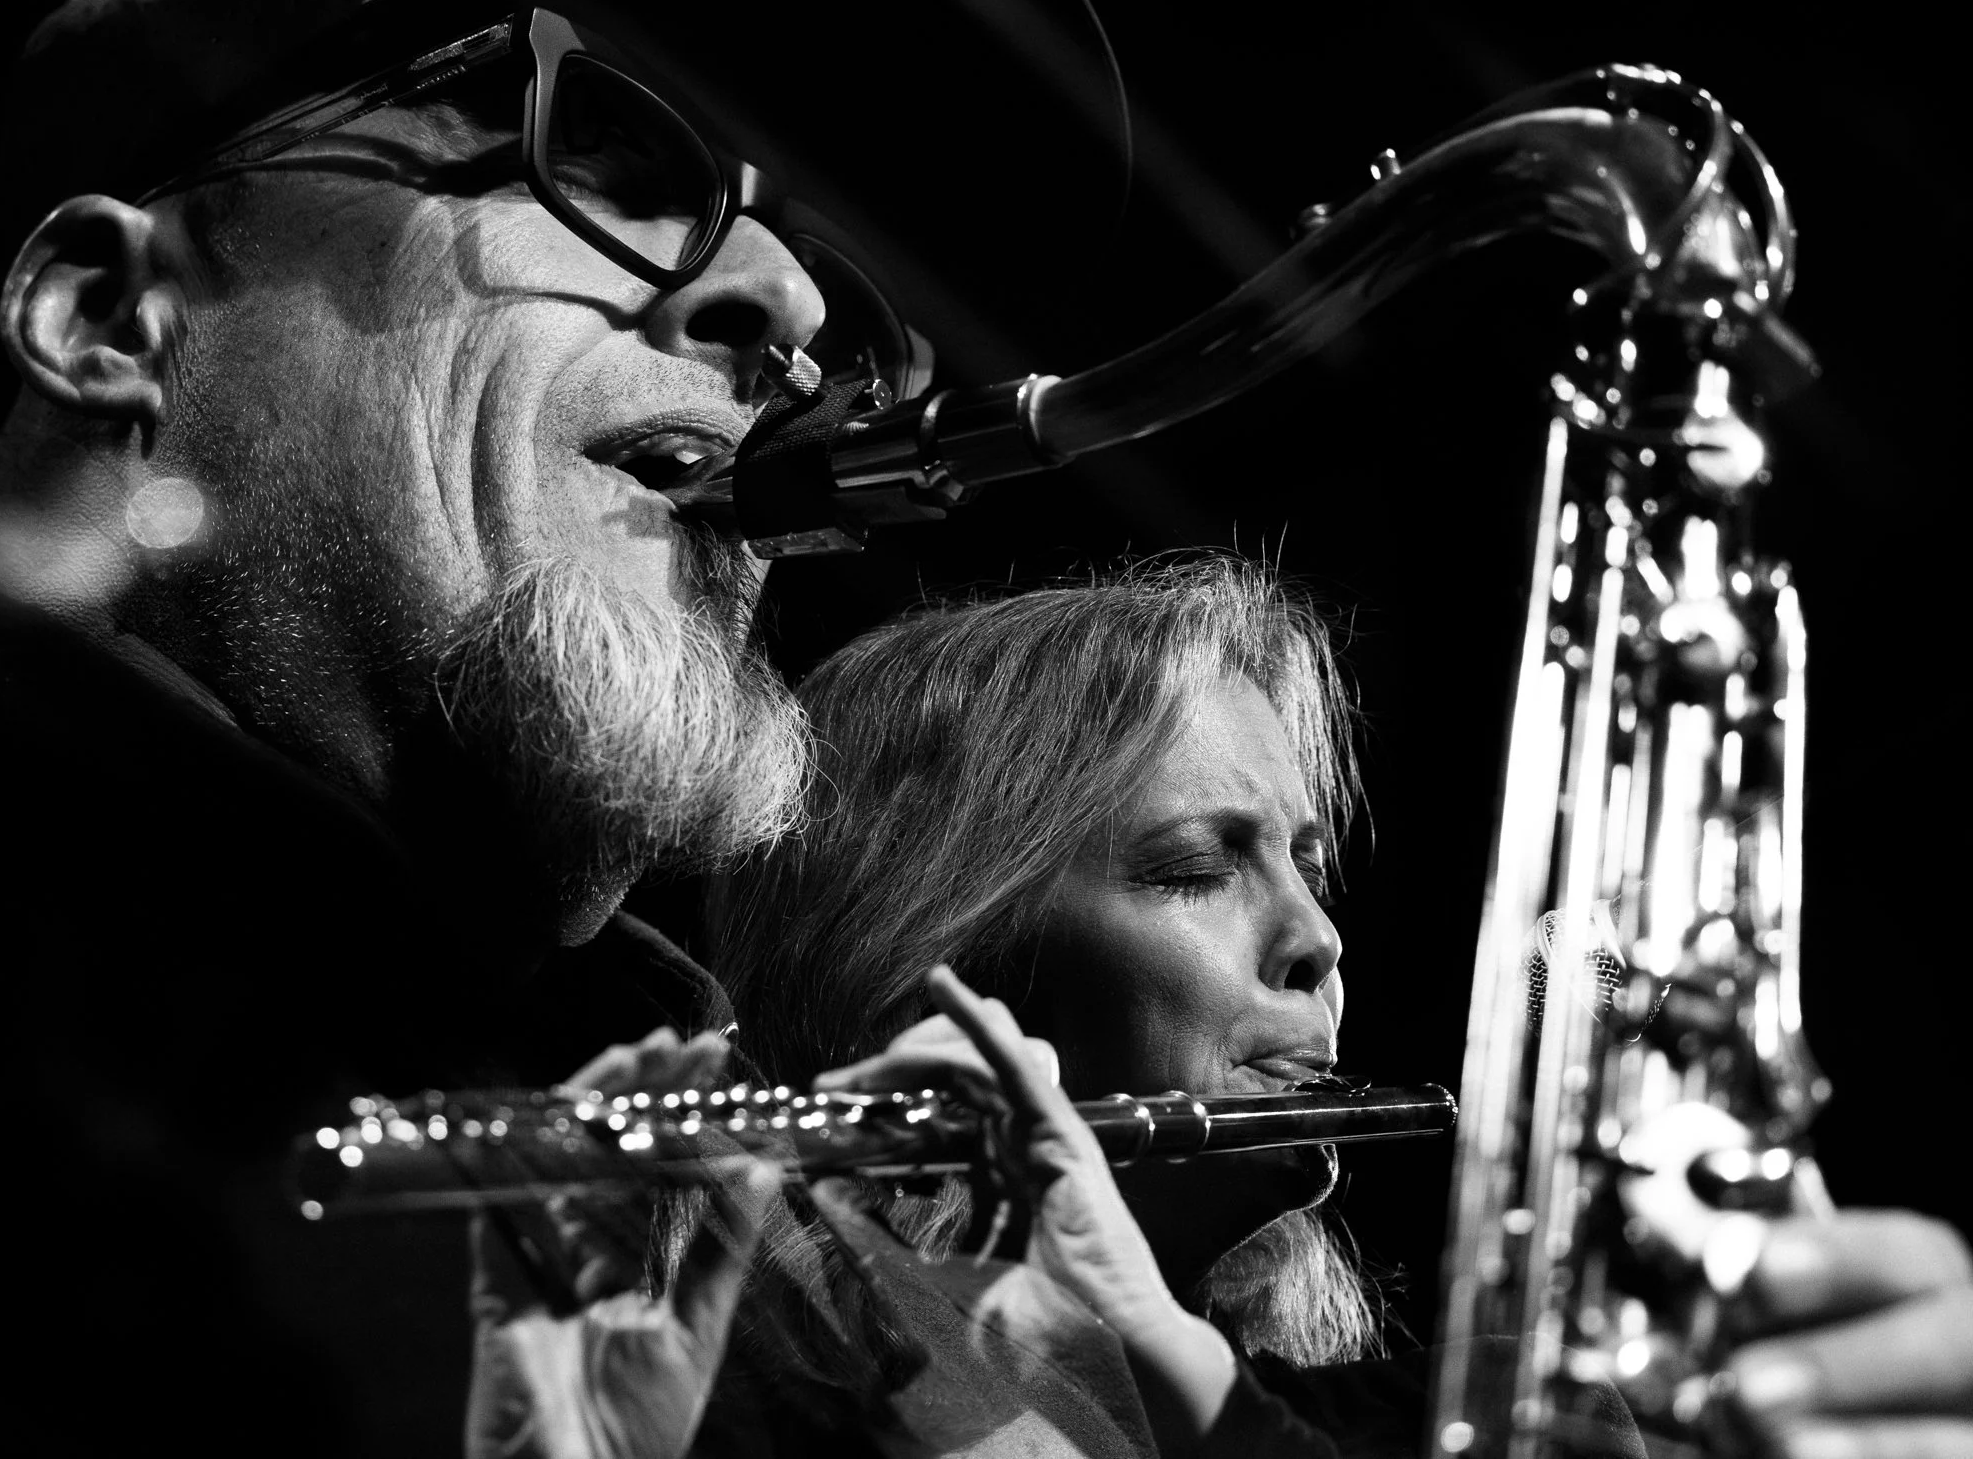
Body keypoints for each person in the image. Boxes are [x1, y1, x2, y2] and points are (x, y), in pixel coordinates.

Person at [0, 0, 1126, 1458]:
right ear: (105, 320)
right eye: (614, 153)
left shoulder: (702, 1177)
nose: (792, 313)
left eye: (814, 265)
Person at [705, 560, 1973, 1458]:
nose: (1316, 941)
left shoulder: (1390, 1422)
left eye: (1305, 864)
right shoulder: (726, 1370)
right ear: (937, 966)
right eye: (1197, 870)